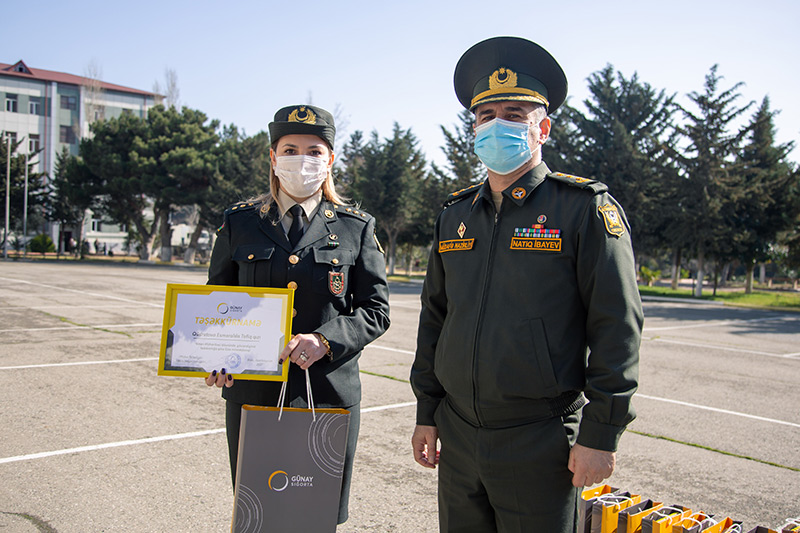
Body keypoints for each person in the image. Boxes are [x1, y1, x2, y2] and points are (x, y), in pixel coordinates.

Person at [410, 37, 643, 532]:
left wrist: (601, 433)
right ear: (474, 129)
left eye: (514, 114)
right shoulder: (455, 214)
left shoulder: (582, 209)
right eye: (486, 115)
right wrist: (427, 410)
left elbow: (616, 328)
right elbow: (435, 318)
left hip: (540, 437)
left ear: (544, 128)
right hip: (458, 433)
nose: (498, 124)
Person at [205, 104, 391, 525]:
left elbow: (376, 310)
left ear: (330, 160)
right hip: (254, 396)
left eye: (314, 151)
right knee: (260, 514)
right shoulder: (240, 223)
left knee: (316, 515)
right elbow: (217, 301)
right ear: (273, 158)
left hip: (327, 396)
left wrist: (325, 340)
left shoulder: (356, 227)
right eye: (290, 150)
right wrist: (214, 354)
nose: (301, 160)